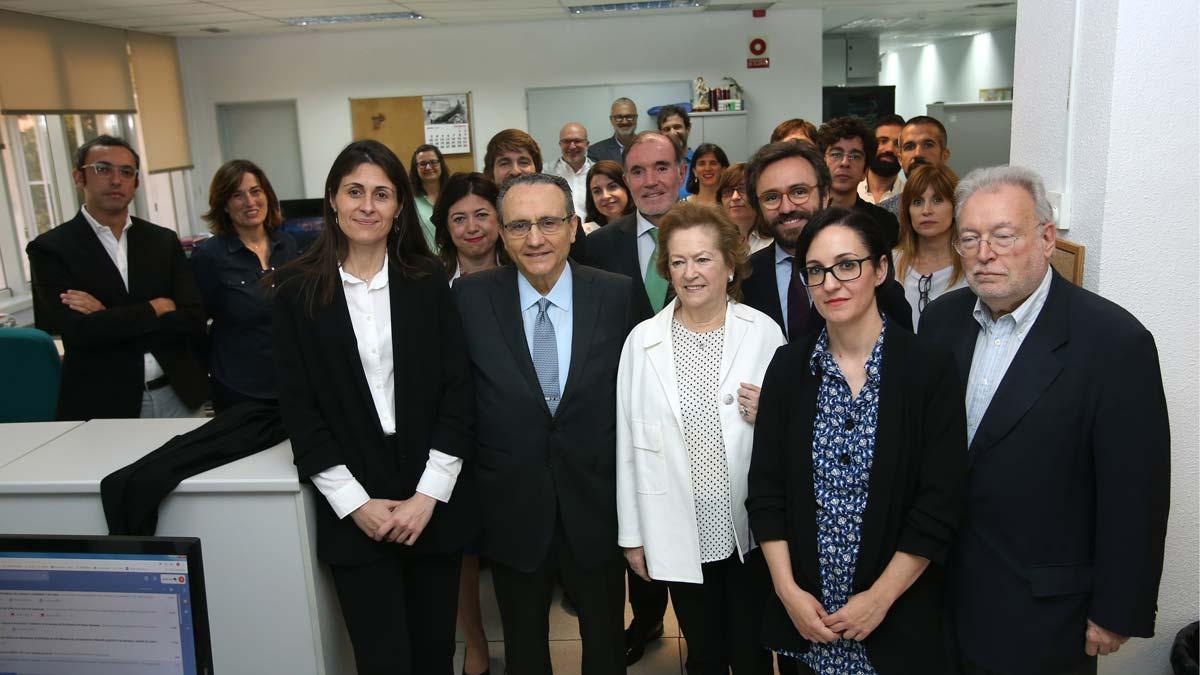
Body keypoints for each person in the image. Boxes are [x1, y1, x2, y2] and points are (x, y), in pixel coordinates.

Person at [919, 166, 1170, 675]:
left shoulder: (1113, 343)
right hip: (938, 592)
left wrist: (1117, 610)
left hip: (1044, 608)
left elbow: (1135, 492)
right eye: (970, 239)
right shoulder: (942, 321)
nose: (984, 254)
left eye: (1003, 236)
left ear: (1047, 238)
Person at [272, 139, 475, 675]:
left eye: (382, 194)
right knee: (381, 660)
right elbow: (298, 407)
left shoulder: (427, 280)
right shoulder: (296, 289)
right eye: (355, 192)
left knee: (434, 655)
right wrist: (353, 501)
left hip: (429, 493)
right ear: (332, 201)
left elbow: (459, 389)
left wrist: (428, 494)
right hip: (351, 497)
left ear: (399, 207)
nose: (367, 205)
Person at [747, 207, 967, 675]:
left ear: (880, 268)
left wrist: (880, 598)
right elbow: (767, 492)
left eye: (848, 265)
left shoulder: (927, 368)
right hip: (809, 619)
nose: (831, 283)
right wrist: (788, 593)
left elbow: (940, 501)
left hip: (895, 617)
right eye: (816, 271)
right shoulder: (788, 367)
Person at [453, 173, 632, 675]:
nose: (535, 239)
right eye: (520, 225)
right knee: (524, 647)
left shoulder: (617, 296)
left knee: (604, 641)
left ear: (575, 228)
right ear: (502, 234)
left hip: (598, 502)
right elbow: (458, 402)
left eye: (549, 222)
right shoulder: (469, 300)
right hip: (510, 506)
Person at [616, 201, 783, 674]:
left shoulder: (763, 333)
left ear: (730, 264)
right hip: (678, 527)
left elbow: (793, 431)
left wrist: (771, 412)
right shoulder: (642, 341)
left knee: (752, 653)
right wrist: (632, 535)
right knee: (704, 652)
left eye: (704, 259)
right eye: (678, 261)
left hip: (749, 531)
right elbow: (628, 444)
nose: (691, 273)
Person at [581, 130, 683, 664]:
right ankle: (645, 620)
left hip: (694, 418)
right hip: (623, 415)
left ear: (681, 169)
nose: (651, 181)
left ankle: (699, 628)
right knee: (637, 526)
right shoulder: (597, 245)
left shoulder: (710, 235)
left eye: (661, 167)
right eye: (638, 171)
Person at [26, 134, 208, 420]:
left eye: (126, 172)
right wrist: (155, 308)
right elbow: (79, 332)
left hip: (179, 395)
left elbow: (193, 319)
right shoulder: (50, 248)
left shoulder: (162, 241)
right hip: (104, 402)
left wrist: (106, 315)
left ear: (135, 183)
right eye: (102, 169)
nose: (115, 180)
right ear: (79, 178)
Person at [740, 141, 913, 343]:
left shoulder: (867, 274)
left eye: (799, 192)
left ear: (825, 195)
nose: (786, 208)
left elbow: (905, 359)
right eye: (771, 197)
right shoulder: (745, 278)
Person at [190, 159, 299, 413]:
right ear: (224, 206)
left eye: (255, 191)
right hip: (239, 390)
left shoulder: (287, 245)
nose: (250, 202)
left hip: (290, 384)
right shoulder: (209, 257)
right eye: (237, 195)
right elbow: (195, 327)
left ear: (267, 196)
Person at [893, 164, 966, 330]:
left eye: (937, 200)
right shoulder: (890, 263)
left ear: (956, 207)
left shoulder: (971, 266)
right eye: (917, 202)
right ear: (907, 210)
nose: (926, 210)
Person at [815, 117, 900, 249]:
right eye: (836, 154)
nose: (845, 163)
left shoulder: (884, 223)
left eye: (855, 157)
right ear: (822, 163)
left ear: (865, 171)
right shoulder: (806, 216)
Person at [431, 172, 504, 285]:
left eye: (481, 215)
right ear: (447, 226)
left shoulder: (523, 271)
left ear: (499, 217)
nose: (472, 228)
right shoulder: (432, 279)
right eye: (459, 219)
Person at [878, 116, 951, 215]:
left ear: (944, 156)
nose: (917, 154)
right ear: (900, 159)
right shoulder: (882, 214)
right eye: (909, 147)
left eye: (928, 145)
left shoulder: (965, 206)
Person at [716, 163, 772, 254]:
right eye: (728, 191)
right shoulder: (714, 240)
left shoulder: (774, 242)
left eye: (743, 190)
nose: (735, 197)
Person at [858, 115, 905, 205]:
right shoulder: (851, 189)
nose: (889, 149)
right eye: (883, 141)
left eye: (897, 144)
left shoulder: (909, 198)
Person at [411, 144, 448, 252]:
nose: (428, 167)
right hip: (425, 262)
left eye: (433, 162)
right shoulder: (410, 200)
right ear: (416, 168)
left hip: (456, 261)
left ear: (441, 164)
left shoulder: (453, 194)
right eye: (423, 164)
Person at [552, 122, 593, 217]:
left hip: (594, 231)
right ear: (560, 144)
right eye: (566, 141)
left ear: (587, 144)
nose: (572, 146)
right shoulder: (545, 172)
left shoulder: (598, 173)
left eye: (577, 141)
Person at [584, 160, 635, 234]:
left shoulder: (645, 226)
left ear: (627, 187)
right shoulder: (587, 233)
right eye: (597, 191)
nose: (605, 196)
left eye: (612, 187)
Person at [656, 105, 694, 199]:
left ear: (688, 129)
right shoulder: (654, 166)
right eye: (667, 129)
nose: (672, 133)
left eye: (677, 127)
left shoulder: (699, 163)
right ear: (660, 133)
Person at [589, 97, 639, 164]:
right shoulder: (596, 152)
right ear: (611, 120)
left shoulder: (648, 147)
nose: (624, 122)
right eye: (619, 117)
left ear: (636, 118)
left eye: (629, 117)